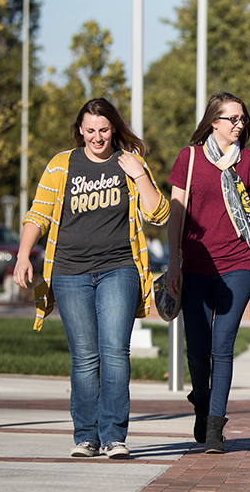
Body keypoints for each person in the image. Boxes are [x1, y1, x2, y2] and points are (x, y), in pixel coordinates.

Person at [14, 98, 170, 459]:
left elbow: (158, 214)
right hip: (69, 272)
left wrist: (140, 175)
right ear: (80, 131)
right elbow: (38, 213)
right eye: (90, 130)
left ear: (113, 128)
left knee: (115, 353)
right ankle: (86, 437)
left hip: (119, 268)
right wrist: (23, 255)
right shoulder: (61, 165)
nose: (97, 137)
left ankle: (114, 436)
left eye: (103, 129)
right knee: (84, 357)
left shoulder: (129, 163)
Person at [166, 92, 250, 454]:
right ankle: (202, 402)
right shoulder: (189, 159)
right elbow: (176, 215)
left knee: (223, 346)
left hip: (237, 265)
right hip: (194, 266)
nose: (239, 125)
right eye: (232, 119)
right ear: (214, 122)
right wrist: (173, 263)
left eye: (242, 119)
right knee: (197, 348)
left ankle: (215, 426)